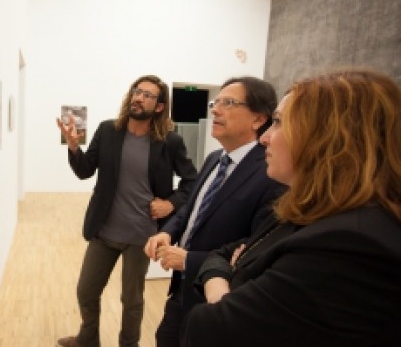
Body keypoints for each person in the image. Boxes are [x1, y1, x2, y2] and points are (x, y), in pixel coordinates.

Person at [182, 69, 401, 346]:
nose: (265, 138)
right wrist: (225, 271)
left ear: (328, 136)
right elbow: (224, 252)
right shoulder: (310, 209)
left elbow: (208, 330)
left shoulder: (350, 245)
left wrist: (221, 287)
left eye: (278, 123)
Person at [55, 75, 198, 347]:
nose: (138, 97)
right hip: (104, 229)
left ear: (158, 106)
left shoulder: (170, 141)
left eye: (147, 95)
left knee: (131, 300)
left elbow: (192, 181)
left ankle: (128, 344)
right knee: (86, 290)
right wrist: (74, 147)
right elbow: (85, 170)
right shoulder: (108, 130)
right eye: (137, 91)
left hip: (141, 236)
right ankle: (88, 338)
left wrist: (171, 203)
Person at [144, 76, 286, 347]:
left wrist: (190, 260)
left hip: (218, 303)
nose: (215, 110)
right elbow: (191, 208)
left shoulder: (270, 174)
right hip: (180, 293)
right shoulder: (213, 159)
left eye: (229, 103)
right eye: (215, 102)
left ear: (258, 119)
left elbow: (255, 250)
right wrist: (168, 232)